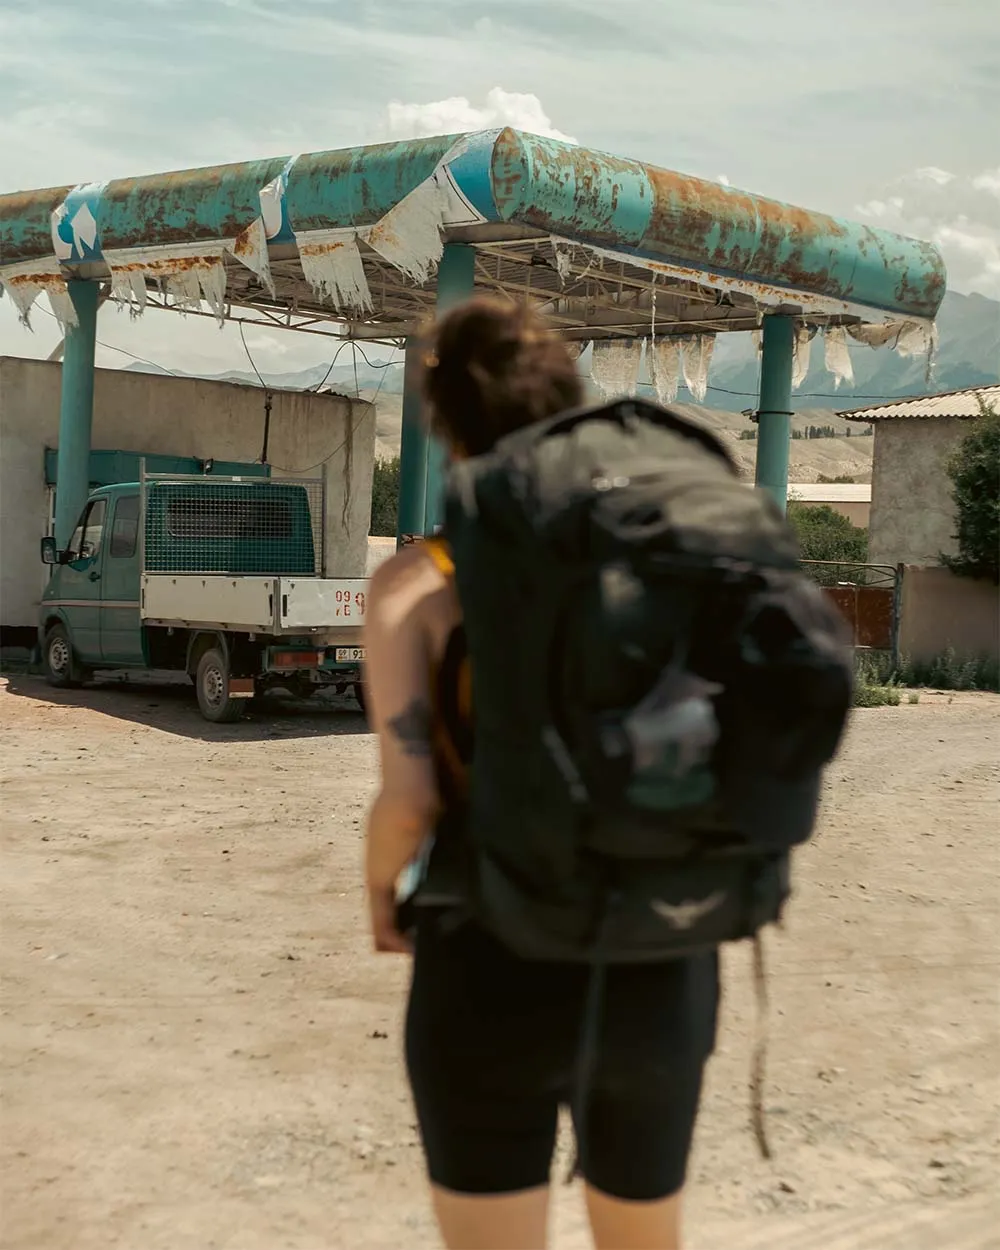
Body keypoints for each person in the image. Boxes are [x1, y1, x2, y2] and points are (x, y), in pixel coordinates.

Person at [363, 296, 719, 1250]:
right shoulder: (669, 548)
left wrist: (381, 902)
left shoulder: (421, 581)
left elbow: (408, 803)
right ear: (572, 398)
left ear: (444, 423)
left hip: (489, 953)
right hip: (661, 953)